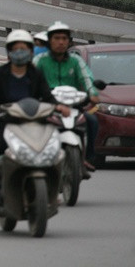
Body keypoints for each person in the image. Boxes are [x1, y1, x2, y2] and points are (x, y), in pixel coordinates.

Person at [0, 29, 64, 210]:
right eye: (16, 49)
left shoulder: (35, 73)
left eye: (24, 49)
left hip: (33, 120)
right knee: (1, 149)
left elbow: (47, 96)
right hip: (4, 120)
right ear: (9, 52)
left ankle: (54, 189)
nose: (20, 52)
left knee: (54, 145)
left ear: (31, 52)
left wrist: (58, 107)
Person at [33, 21, 100, 173]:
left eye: (64, 38)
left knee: (92, 121)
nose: (61, 42)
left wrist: (93, 93)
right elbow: (31, 79)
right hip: (48, 104)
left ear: (69, 42)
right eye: (56, 38)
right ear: (49, 41)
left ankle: (88, 157)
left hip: (73, 105)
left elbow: (86, 77)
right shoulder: (40, 60)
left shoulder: (76, 61)